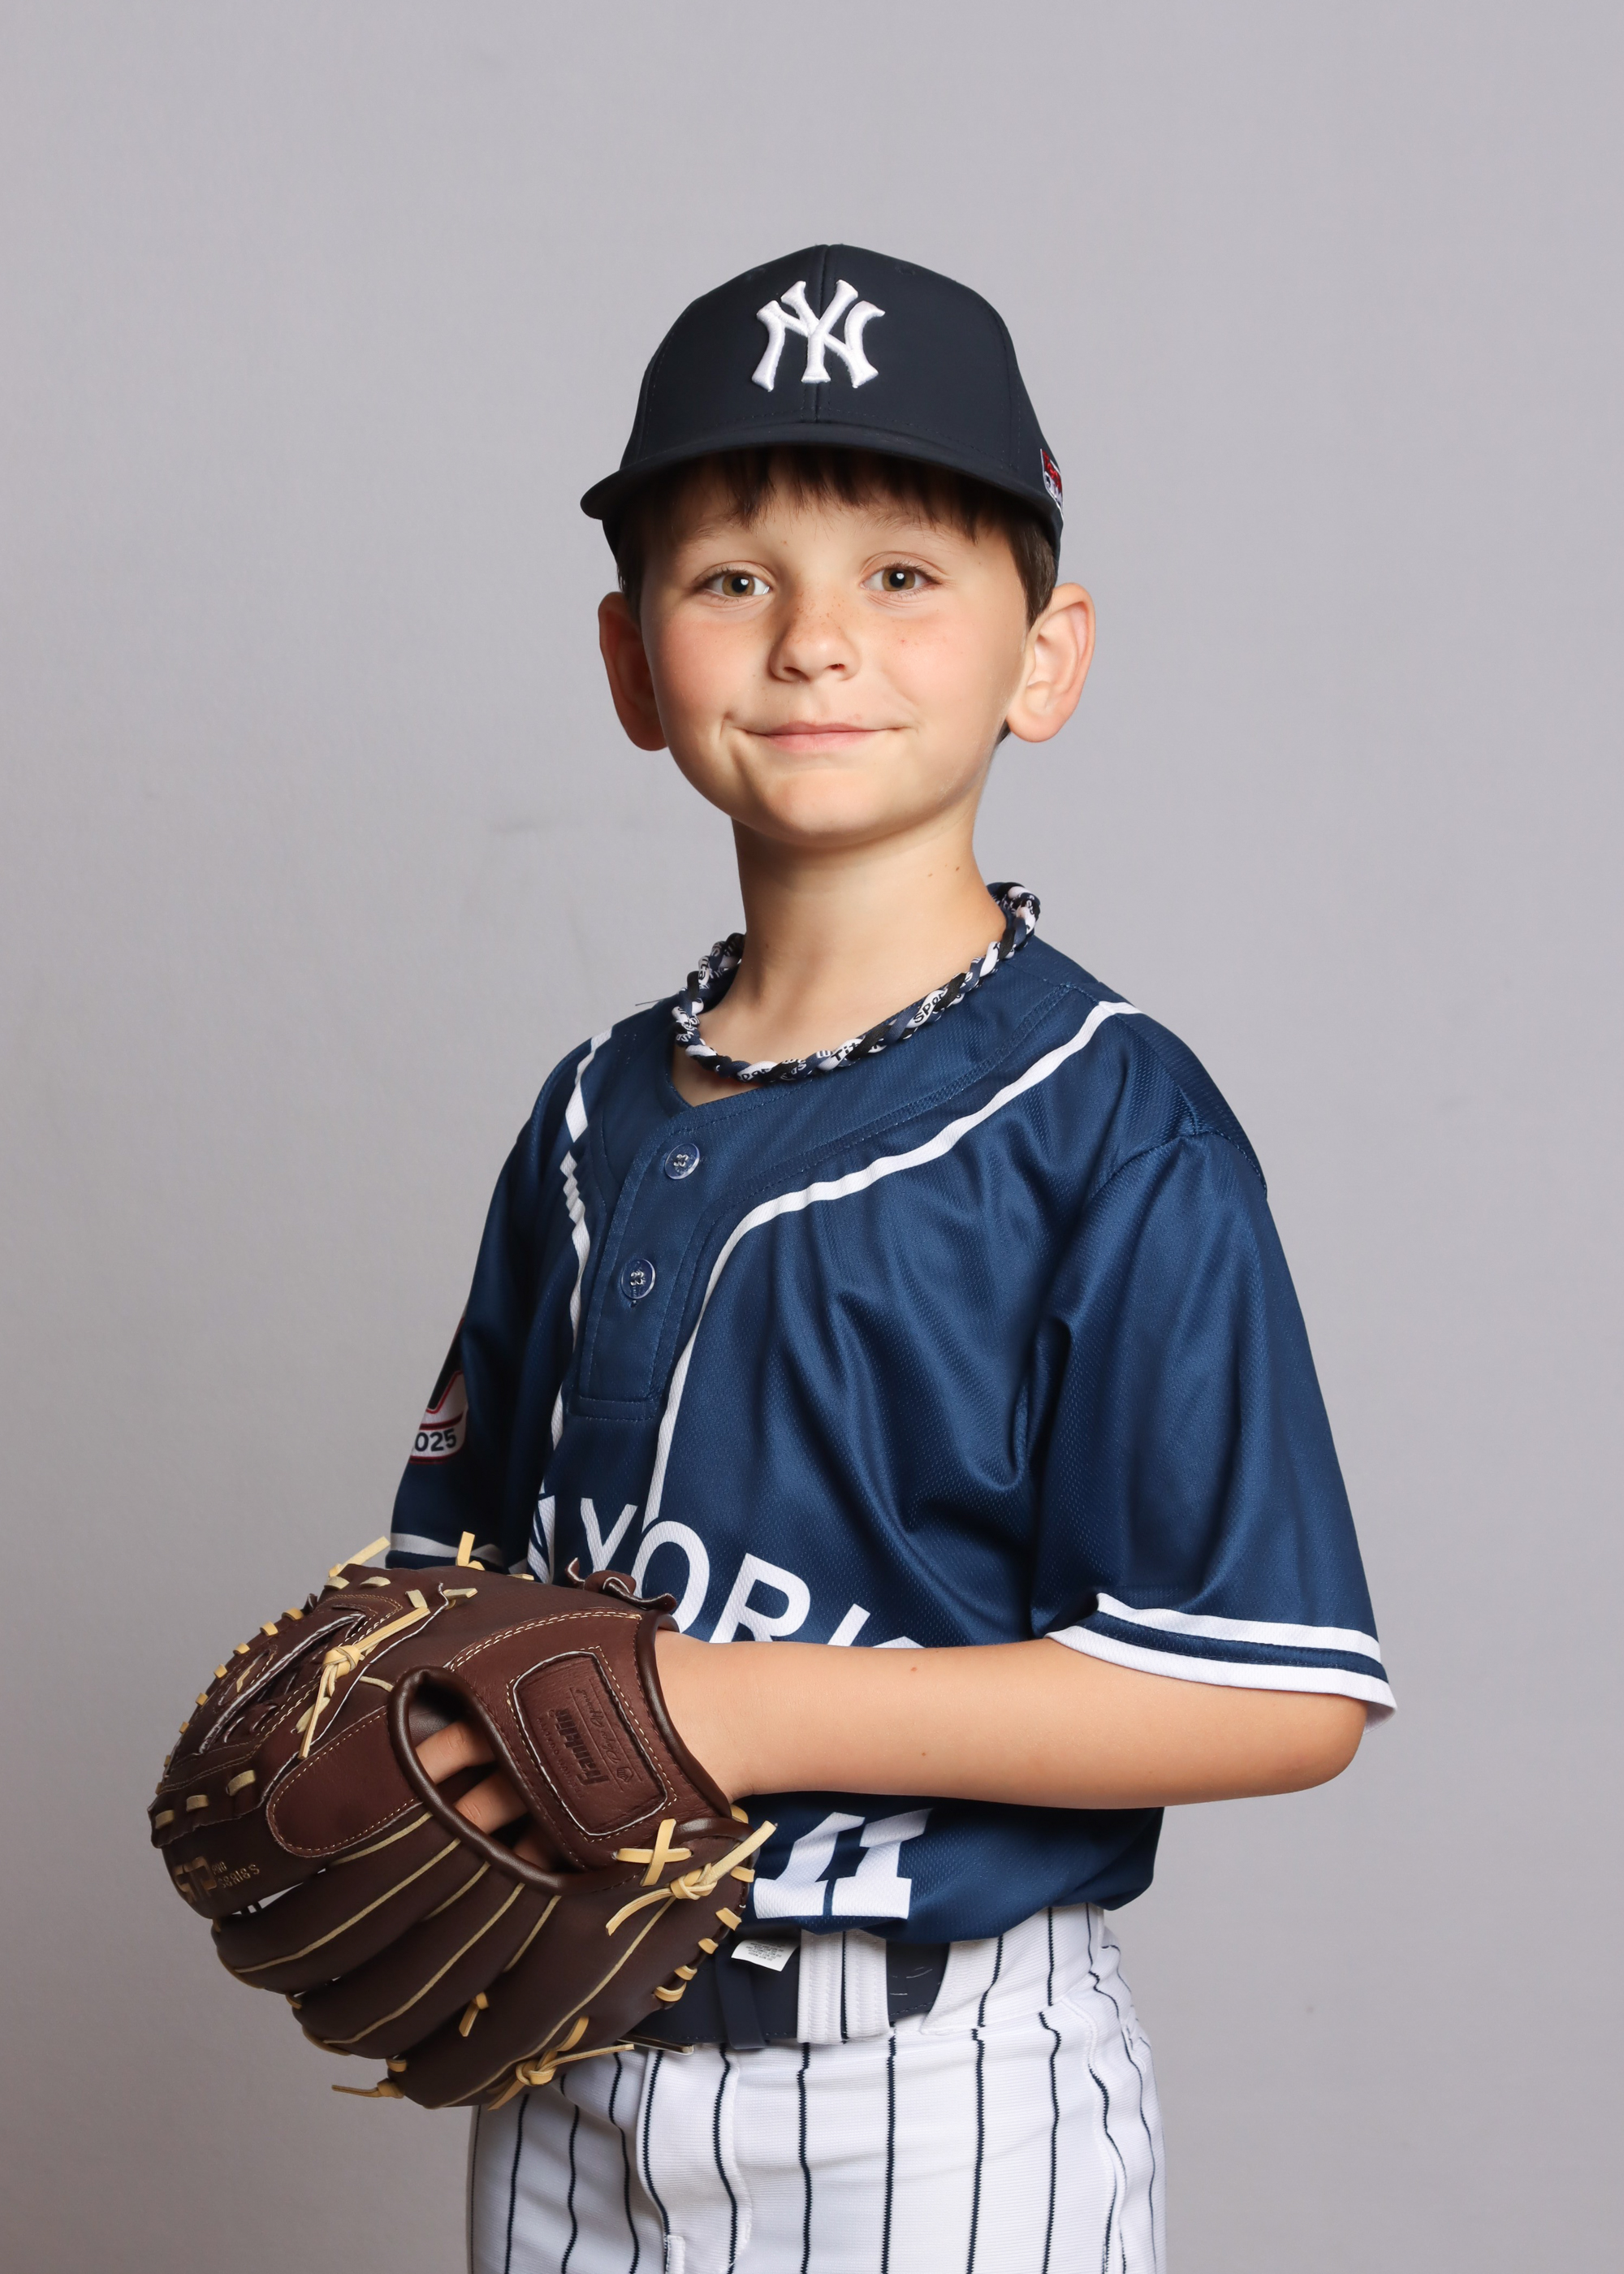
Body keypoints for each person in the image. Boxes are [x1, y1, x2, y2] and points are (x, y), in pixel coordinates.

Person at [389, 244, 1392, 2273]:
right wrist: (410, 1737)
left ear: (1047, 655)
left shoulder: (1110, 1119)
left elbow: (1266, 1691)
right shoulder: (585, 1117)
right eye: (731, 577)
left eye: (905, 572)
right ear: (629, 660)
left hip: (928, 2091)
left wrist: (728, 1707)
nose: (815, 639)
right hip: (566, 2051)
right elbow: (458, 1592)